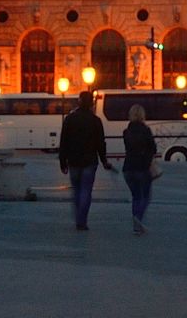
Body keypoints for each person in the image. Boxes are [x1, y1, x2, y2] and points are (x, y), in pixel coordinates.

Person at [57, 90, 113, 230]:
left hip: (74, 160)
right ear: (91, 104)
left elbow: (64, 141)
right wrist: (104, 160)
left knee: (76, 190)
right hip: (89, 161)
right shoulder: (96, 121)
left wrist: (62, 162)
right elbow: (101, 143)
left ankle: (78, 218)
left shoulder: (70, 119)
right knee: (86, 191)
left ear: (79, 101)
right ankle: (82, 220)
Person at [121, 104, 157, 235]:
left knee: (136, 196)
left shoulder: (126, 132)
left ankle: (137, 224)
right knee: (146, 196)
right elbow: (153, 148)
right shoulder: (146, 130)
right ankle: (138, 218)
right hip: (142, 167)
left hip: (128, 168)